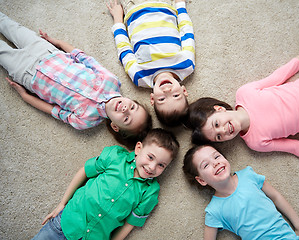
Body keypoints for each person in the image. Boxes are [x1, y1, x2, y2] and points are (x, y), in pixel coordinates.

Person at [187, 42, 299, 171]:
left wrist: (298, 60)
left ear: (219, 109)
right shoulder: (255, 142)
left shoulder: (244, 93)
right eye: (218, 137)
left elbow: (276, 77)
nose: (223, 131)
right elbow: (294, 147)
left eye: (216, 124)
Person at [0, 12, 152, 149]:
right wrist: (56, 42)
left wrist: (25, 96)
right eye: (132, 107)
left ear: (115, 126)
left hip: (27, 74)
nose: (126, 110)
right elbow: (83, 57)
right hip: (47, 52)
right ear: (132, 100)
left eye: (126, 119)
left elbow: (53, 110)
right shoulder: (111, 81)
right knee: (10, 26)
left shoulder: (86, 121)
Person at [32, 128, 179, 240]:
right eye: (150, 157)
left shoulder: (150, 191)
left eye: (161, 165)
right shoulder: (115, 156)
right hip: (65, 223)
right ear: (138, 148)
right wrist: (62, 203)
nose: (152, 167)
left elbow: (130, 223)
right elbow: (84, 170)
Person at [183, 144, 299, 240]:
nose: (215, 163)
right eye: (206, 165)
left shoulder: (248, 175)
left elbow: (276, 197)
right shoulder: (214, 211)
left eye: (217, 156)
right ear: (201, 180)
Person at [106, 0, 195, 126]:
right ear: (184, 90)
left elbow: (124, 50)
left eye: (162, 99)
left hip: (132, 11)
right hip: (164, 6)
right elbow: (187, 33)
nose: (167, 90)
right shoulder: (186, 65)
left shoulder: (140, 76)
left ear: (152, 98)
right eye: (175, 95)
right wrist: (180, 5)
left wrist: (117, 20)